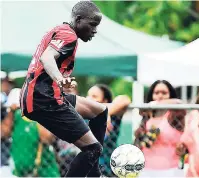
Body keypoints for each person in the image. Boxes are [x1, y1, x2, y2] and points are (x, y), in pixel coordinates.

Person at [19, 1, 108, 177]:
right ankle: (93, 171)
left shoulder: (61, 30)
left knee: (100, 111)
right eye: (92, 25)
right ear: (78, 19)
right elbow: (47, 57)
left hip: (43, 94)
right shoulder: (69, 36)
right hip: (43, 98)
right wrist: (60, 80)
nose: (95, 31)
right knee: (92, 148)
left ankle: (93, 173)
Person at [134, 80, 186, 177]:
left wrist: (154, 104)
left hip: (171, 170)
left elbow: (179, 102)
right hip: (146, 170)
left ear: (170, 95)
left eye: (164, 93)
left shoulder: (175, 116)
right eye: (156, 93)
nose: (160, 96)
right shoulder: (148, 116)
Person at [87, 84, 131, 177]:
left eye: (94, 96)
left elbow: (125, 99)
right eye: (88, 95)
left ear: (105, 101)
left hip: (107, 170)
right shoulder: (84, 115)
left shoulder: (114, 116)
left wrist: (106, 113)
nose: (89, 99)